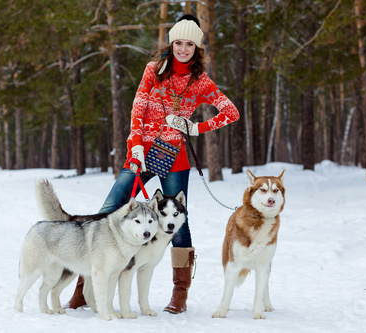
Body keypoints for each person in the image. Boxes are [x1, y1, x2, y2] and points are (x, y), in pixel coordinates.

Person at [67, 13, 239, 314]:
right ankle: (85, 288)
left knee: (177, 224)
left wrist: (196, 128)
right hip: (142, 154)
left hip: (175, 159)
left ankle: (180, 293)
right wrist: (134, 149)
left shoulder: (200, 82)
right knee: (109, 211)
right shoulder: (153, 71)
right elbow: (138, 110)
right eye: (178, 42)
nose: (183, 49)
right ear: (170, 43)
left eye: (189, 44)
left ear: (197, 48)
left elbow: (231, 112)